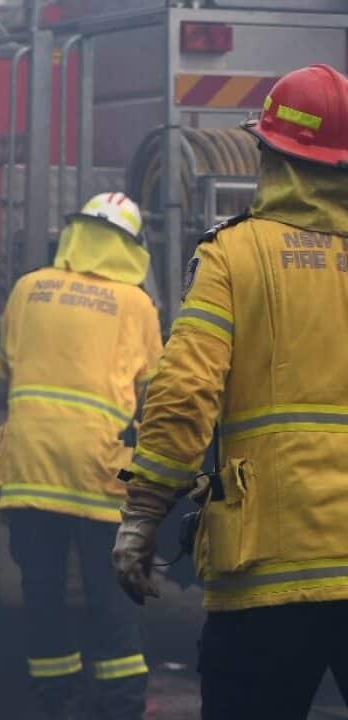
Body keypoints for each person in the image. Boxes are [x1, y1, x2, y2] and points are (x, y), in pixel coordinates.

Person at [112, 64, 348, 719]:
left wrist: (142, 518)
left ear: (269, 155)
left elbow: (183, 394)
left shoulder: (231, 257)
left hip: (266, 580)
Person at [0, 192, 162, 719]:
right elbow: (156, 387)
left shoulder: (27, 289)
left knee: (42, 590)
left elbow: (5, 370)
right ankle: (121, 701)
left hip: (28, 470)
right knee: (112, 594)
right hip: (100, 472)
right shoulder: (135, 304)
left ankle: (54, 696)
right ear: (129, 246)